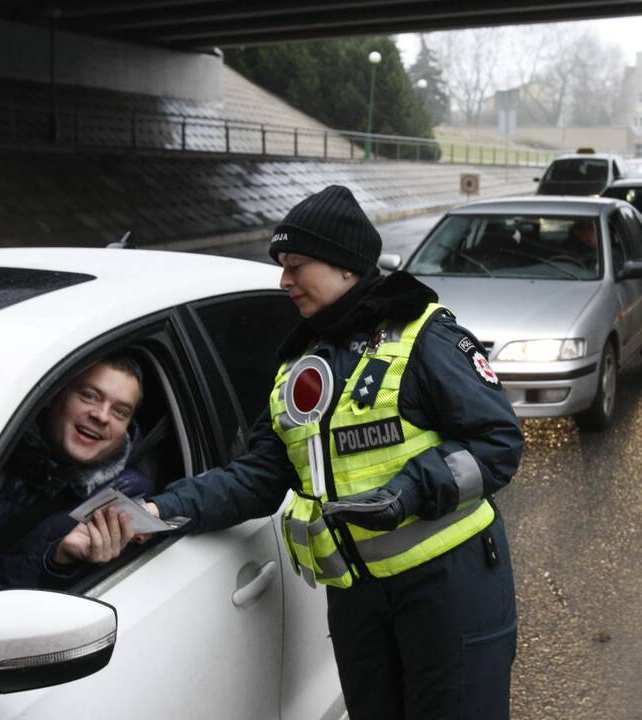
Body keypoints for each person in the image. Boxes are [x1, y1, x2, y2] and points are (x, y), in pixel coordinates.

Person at [142, 185, 524, 720]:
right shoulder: (298, 366)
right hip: (357, 599)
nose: (284, 280)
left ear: (346, 267)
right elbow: (258, 476)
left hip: (450, 586)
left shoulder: (424, 337)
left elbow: (498, 444)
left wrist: (410, 492)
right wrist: (161, 509)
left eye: (297, 264)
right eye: (280, 264)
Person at [0, 355, 151, 611]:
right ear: (56, 395)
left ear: (126, 427)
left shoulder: (124, 496)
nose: (101, 416)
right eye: (89, 395)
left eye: (120, 412)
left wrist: (59, 564)